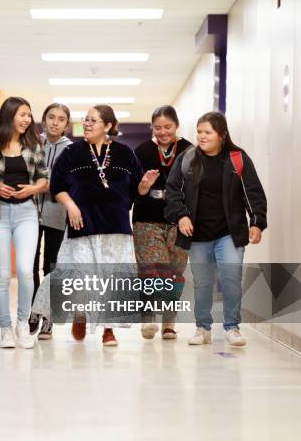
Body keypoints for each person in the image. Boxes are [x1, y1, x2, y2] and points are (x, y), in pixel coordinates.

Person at [32, 105, 159, 347]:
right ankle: (80, 314)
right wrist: (70, 205)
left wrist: (145, 184)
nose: (86, 124)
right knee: (78, 276)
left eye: (93, 120)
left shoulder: (125, 153)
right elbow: (57, 185)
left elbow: (137, 191)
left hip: (116, 226)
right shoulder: (71, 153)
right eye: (85, 120)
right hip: (82, 225)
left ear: (108, 126)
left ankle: (108, 330)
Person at [165, 111, 267, 347]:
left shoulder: (237, 158)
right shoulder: (188, 159)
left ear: (221, 135)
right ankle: (202, 328)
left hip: (229, 233)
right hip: (198, 235)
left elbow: (253, 193)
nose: (201, 136)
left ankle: (232, 327)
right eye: (199, 131)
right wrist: (180, 216)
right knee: (203, 283)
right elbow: (172, 192)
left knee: (230, 278)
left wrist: (257, 222)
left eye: (207, 132)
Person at [0, 96, 48, 349]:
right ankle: (5, 329)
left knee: (25, 271)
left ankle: (23, 323)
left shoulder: (34, 144)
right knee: (2, 275)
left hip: (26, 212)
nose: (27, 119)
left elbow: (44, 179)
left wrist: (32, 190)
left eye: (29, 115)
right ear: (9, 115)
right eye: (23, 114)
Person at [132, 105, 192, 340]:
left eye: (167, 127)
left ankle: (169, 322)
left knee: (175, 272)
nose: (163, 132)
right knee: (151, 268)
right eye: (158, 128)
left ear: (176, 125)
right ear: (152, 128)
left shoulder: (189, 151)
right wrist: (144, 186)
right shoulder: (142, 151)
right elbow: (134, 189)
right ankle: (147, 318)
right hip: (147, 219)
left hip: (179, 221)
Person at [29, 103, 73, 340]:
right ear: (44, 120)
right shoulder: (33, 144)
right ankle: (34, 312)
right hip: (31, 214)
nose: (55, 122)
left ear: (67, 124)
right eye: (51, 117)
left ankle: (49, 317)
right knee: (30, 265)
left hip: (58, 215)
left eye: (61, 119)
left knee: (51, 266)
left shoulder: (72, 150)